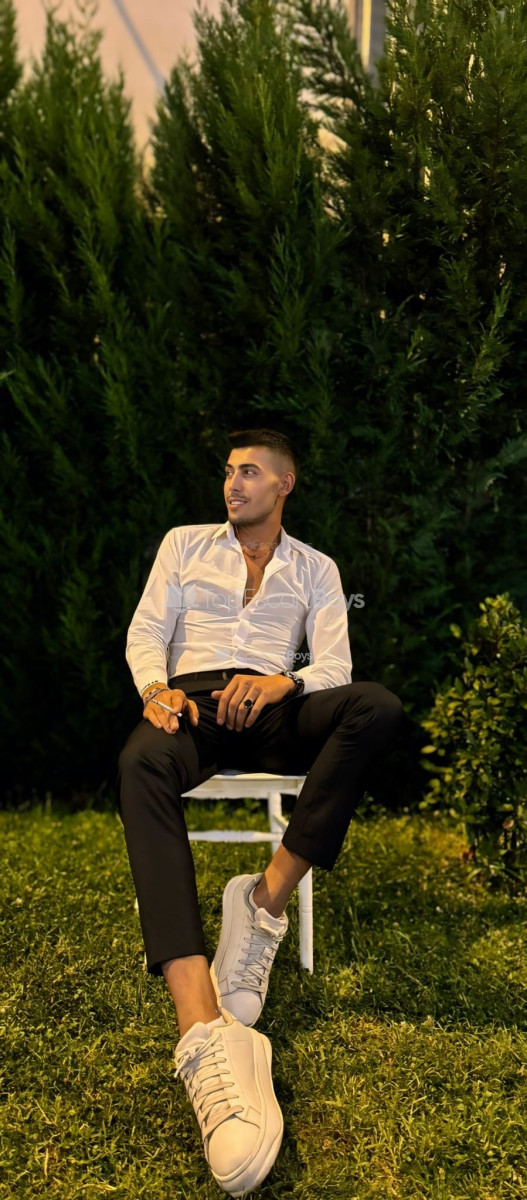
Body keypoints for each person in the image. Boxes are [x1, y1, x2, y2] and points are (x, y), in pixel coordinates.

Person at [116, 427, 404, 1196]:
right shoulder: (184, 545)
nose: (232, 483)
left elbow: (335, 665)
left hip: (275, 706)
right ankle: (202, 1029)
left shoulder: (315, 568)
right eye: (228, 472)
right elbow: (147, 631)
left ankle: (263, 902)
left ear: (284, 484)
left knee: (374, 707)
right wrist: (157, 691)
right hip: (194, 704)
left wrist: (286, 683)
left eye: (249, 472)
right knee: (139, 762)